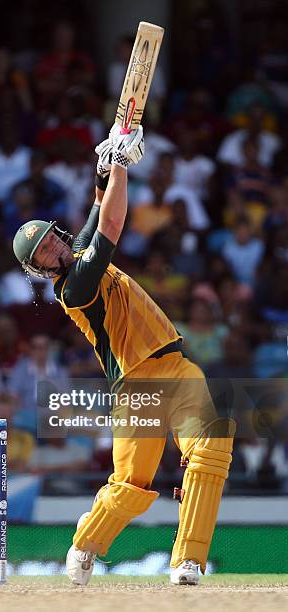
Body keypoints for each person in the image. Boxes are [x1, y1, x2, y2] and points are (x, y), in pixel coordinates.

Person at [12, 124, 235, 586]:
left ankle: (188, 560)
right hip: (135, 386)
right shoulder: (74, 288)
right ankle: (86, 543)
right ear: (40, 269)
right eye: (45, 251)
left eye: (52, 237)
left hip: (176, 366)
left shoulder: (75, 251)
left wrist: (105, 168)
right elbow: (111, 227)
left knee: (211, 450)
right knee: (132, 487)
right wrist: (122, 168)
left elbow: (97, 211)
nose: (55, 246)